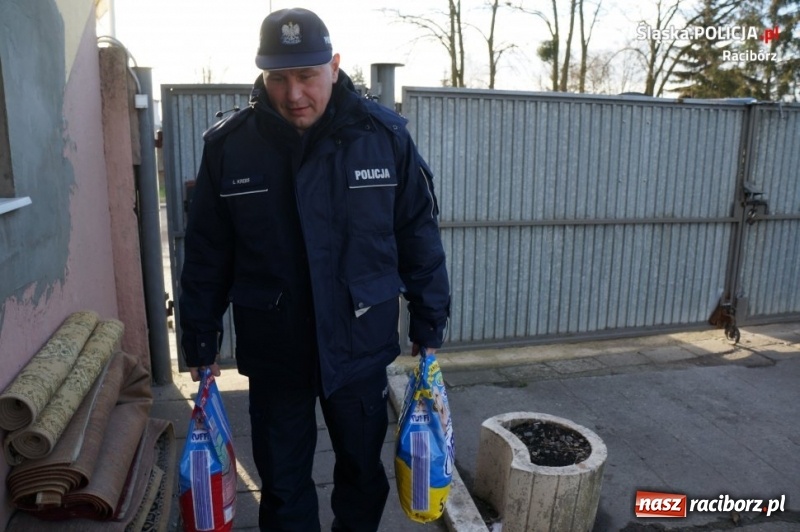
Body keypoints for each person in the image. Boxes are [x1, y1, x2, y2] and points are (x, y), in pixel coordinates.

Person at [178, 7, 450, 532]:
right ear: (262, 75)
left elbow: (418, 234)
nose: (293, 93)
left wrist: (429, 322)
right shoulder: (230, 149)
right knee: (282, 486)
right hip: (276, 351)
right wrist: (199, 340)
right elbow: (208, 253)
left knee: (361, 476)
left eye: (306, 75)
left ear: (334, 65)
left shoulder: (384, 138)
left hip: (359, 347)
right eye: (278, 78)